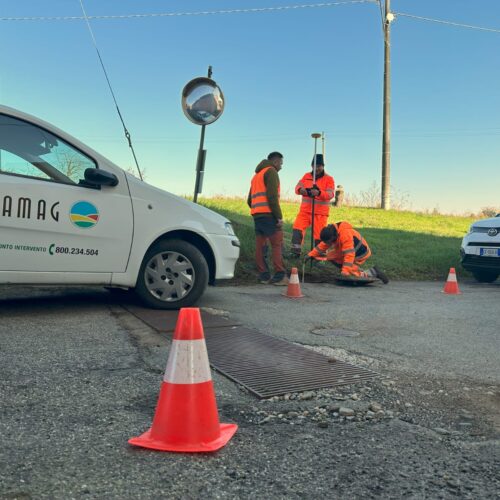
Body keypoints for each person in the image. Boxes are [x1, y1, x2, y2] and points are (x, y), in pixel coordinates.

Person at [247, 152, 288, 286]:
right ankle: (279, 276)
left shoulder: (256, 176)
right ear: (275, 162)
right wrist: (279, 216)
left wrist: (257, 210)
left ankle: (264, 276)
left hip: (257, 215)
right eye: (281, 164)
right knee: (277, 244)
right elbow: (272, 197)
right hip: (269, 214)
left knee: (260, 245)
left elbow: (249, 200)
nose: (281, 167)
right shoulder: (271, 172)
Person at [306, 222, 389, 283]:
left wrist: (345, 271)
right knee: (330, 256)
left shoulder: (344, 234)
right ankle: (350, 269)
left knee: (346, 269)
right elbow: (323, 245)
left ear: (333, 237)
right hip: (350, 251)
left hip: (360, 253)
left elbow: (349, 254)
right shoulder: (333, 232)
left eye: (329, 242)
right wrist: (310, 255)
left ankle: (372, 272)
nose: (328, 244)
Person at [290, 154, 335, 257]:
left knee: (320, 235)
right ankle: (295, 252)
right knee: (297, 228)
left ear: (323, 166)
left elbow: (330, 194)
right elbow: (297, 187)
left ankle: (319, 256)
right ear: (312, 166)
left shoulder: (329, 179)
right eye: (315, 165)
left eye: (319, 166)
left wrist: (319, 193)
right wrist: (301, 190)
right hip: (305, 211)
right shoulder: (306, 176)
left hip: (320, 213)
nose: (317, 168)